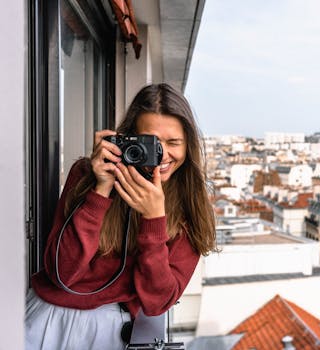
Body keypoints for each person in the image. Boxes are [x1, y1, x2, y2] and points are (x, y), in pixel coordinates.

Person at [25, 83, 217, 349]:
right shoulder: (86, 174)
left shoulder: (189, 204)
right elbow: (62, 273)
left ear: (188, 145)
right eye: (150, 142)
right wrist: (101, 187)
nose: (161, 154)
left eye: (173, 142)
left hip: (113, 330)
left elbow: (158, 301)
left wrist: (154, 221)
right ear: (128, 138)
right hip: (48, 318)